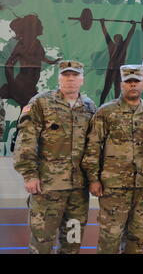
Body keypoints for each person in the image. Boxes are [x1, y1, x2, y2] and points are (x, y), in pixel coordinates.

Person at [14, 60, 96, 254]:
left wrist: (93, 178)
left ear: (82, 80)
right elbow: (26, 139)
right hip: (47, 187)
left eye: (75, 75)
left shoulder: (89, 106)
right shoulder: (41, 102)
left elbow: (94, 146)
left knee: (72, 240)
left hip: (78, 189)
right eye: (66, 75)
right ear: (58, 78)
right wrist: (29, 174)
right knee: (42, 241)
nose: (70, 79)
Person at [82, 64, 143, 254]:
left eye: (136, 81)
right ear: (121, 84)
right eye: (128, 82)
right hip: (113, 187)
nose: (132, 85)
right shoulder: (106, 112)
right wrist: (93, 178)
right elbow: (93, 146)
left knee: (137, 237)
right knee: (110, 237)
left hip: (141, 187)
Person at [99, 19, 136, 105]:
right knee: (106, 88)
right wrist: (102, 24)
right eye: (116, 37)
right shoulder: (111, 45)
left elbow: (130, 35)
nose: (117, 39)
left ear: (121, 39)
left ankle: (116, 105)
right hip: (111, 69)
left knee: (117, 89)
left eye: (119, 37)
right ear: (114, 39)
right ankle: (101, 104)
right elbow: (106, 34)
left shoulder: (124, 45)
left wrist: (133, 26)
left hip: (119, 70)